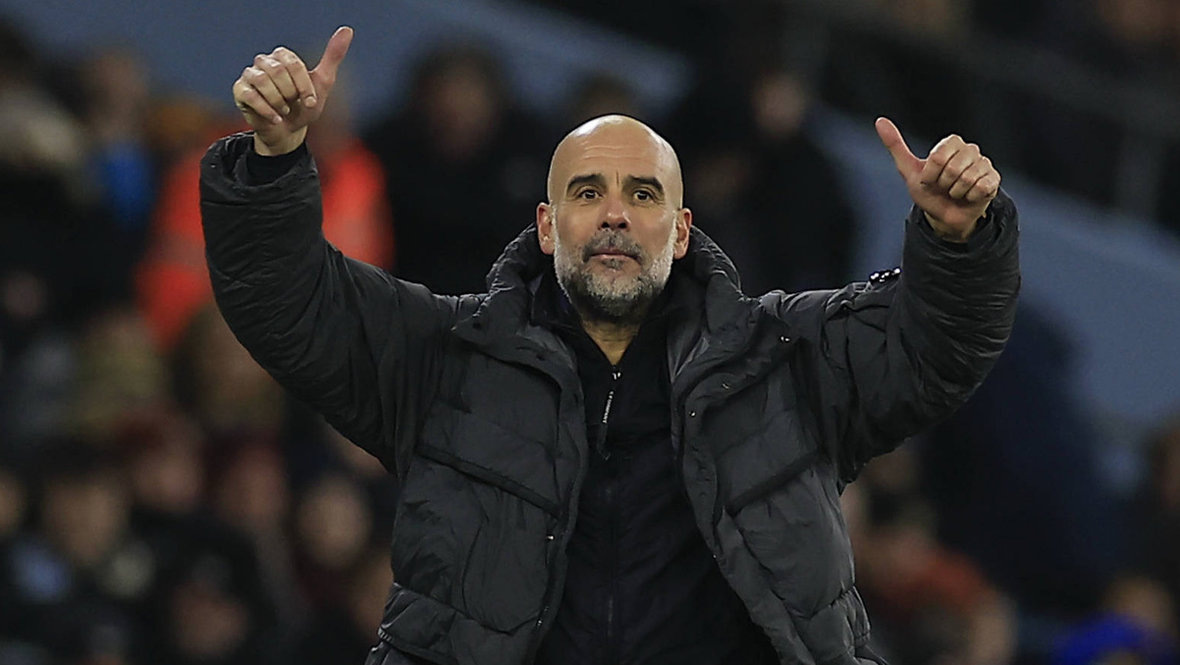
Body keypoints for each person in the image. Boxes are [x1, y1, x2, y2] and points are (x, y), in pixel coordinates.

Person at [202, 27, 1019, 665]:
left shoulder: (788, 356)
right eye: (588, 192)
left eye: (643, 193)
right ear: (547, 225)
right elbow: (289, 305)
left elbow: (936, 347)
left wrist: (958, 241)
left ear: (683, 229)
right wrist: (274, 162)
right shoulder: (446, 356)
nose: (616, 214)